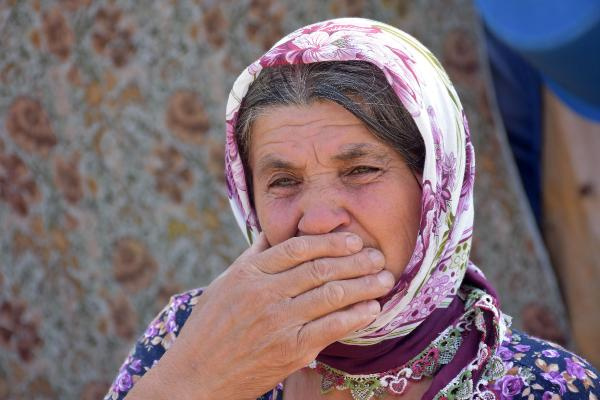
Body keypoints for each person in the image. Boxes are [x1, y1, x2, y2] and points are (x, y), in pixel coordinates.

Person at [104, 18, 600, 400]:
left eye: (360, 171)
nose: (318, 220)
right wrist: (197, 378)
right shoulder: (191, 333)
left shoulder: (548, 387)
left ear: (436, 189)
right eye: (283, 181)